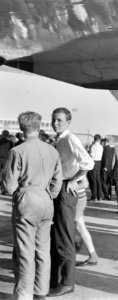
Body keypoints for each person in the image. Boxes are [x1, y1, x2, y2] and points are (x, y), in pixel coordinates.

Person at [1, 111, 62, 300]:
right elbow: (57, 182)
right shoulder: (52, 150)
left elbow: (9, 186)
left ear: (21, 127)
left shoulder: (17, 151)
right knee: (43, 250)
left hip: (27, 201)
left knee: (25, 252)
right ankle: (41, 292)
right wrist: (47, 194)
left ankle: (24, 294)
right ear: (38, 127)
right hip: (46, 200)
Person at [49, 107, 94, 297]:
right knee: (57, 236)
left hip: (66, 192)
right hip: (59, 190)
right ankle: (55, 279)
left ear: (68, 122)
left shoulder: (70, 138)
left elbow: (88, 162)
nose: (55, 123)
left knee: (65, 239)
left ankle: (67, 283)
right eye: (53, 120)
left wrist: (73, 180)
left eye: (59, 120)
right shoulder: (60, 139)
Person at [74, 175, 99, 266]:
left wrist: (67, 185)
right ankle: (93, 255)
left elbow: (85, 183)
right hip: (79, 198)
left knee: (78, 227)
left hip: (77, 199)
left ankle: (70, 256)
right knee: (80, 227)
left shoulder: (78, 163)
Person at [88, 134, 103, 201]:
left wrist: (88, 152)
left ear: (94, 139)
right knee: (98, 180)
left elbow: (92, 155)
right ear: (99, 139)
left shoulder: (93, 146)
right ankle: (99, 196)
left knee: (93, 181)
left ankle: (94, 196)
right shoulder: (101, 146)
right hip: (99, 163)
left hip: (93, 163)